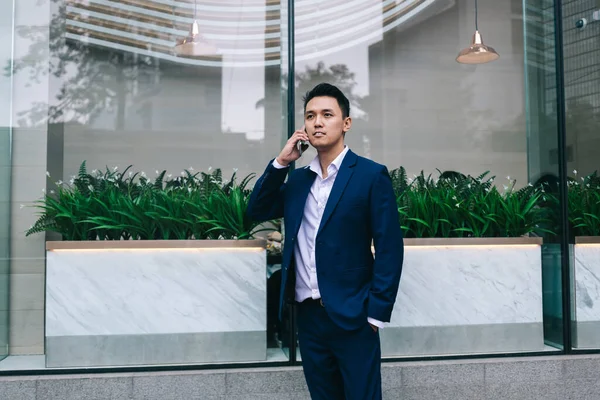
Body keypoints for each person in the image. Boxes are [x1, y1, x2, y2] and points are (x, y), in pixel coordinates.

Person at [247, 83, 404, 400]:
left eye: (327, 114)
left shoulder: (371, 176)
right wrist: (281, 162)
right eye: (310, 115)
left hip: (355, 317)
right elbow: (257, 210)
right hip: (309, 318)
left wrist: (375, 315)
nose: (317, 122)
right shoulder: (297, 180)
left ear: (346, 123)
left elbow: (389, 248)